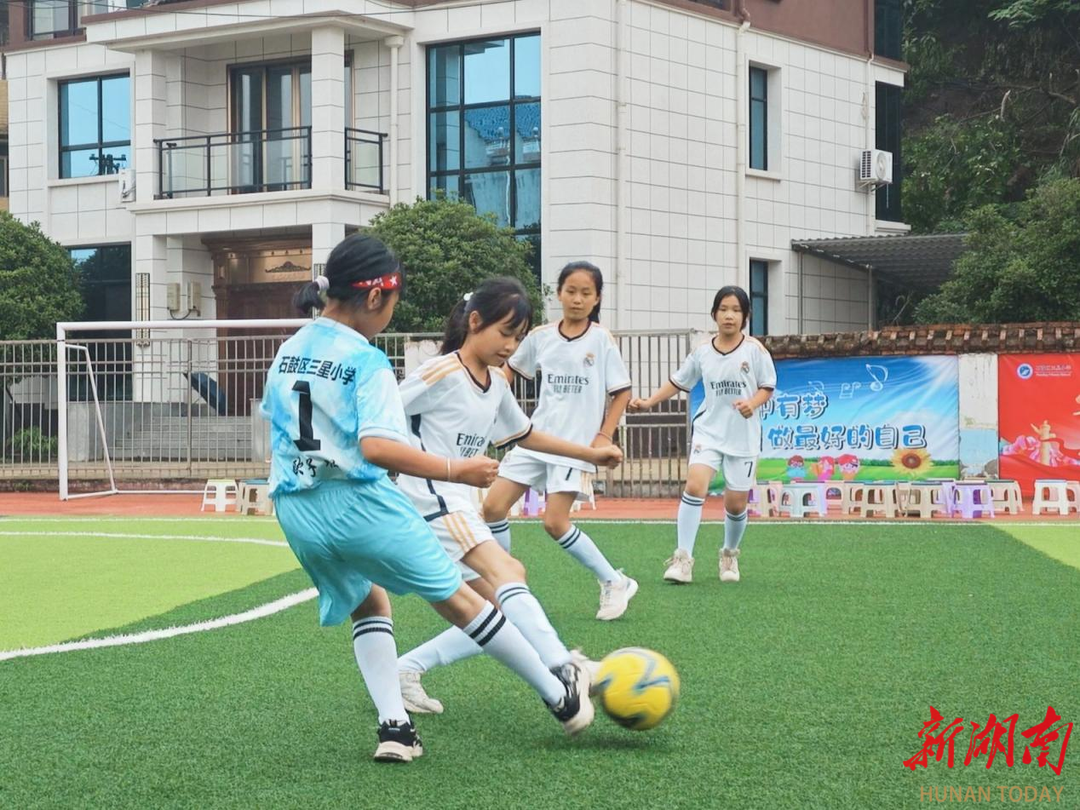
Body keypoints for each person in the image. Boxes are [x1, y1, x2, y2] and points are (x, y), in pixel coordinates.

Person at [261, 236, 595, 764]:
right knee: (466, 601)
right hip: (361, 503)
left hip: (296, 508)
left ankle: (395, 729)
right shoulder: (368, 360)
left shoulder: (289, 348)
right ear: (376, 298)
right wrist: (455, 468)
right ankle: (561, 695)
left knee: (371, 603)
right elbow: (377, 446)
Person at [395, 277, 624, 715]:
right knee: (508, 572)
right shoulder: (441, 372)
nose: (511, 346)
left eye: (518, 338)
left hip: (454, 504)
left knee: (497, 607)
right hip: (427, 501)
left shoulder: (496, 385)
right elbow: (379, 414)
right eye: (505, 333)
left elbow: (527, 434)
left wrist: (591, 453)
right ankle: (564, 668)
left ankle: (407, 669)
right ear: (474, 322)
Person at [483, 262, 638, 621]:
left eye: (586, 293)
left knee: (555, 523)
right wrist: (490, 400)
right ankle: (504, 587)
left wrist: (603, 436)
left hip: (575, 446)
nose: (577, 299)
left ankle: (614, 581)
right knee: (492, 508)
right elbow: (508, 371)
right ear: (558, 293)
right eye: (571, 291)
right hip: (535, 438)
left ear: (597, 298)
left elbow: (622, 391)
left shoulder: (601, 339)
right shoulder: (541, 336)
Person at [629, 285, 776, 585]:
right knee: (695, 486)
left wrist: (752, 404)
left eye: (736, 310)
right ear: (714, 314)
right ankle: (682, 559)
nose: (729, 316)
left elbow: (767, 386)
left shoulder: (755, 351)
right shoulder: (702, 352)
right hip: (708, 432)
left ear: (745, 317)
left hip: (743, 437)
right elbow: (678, 381)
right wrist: (649, 402)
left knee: (735, 505)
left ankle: (729, 554)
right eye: (723, 309)